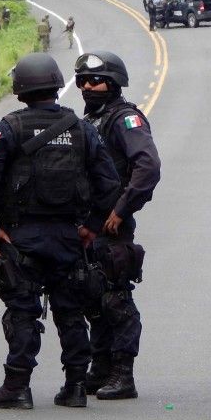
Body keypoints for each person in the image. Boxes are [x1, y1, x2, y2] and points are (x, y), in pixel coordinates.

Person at [0, 53, 120, 410]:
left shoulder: (9, 128)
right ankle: (76, 387)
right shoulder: (81, 128)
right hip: (69, 238)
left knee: (22, 311)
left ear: (20, 89)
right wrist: (91, 227)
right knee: (70, 312)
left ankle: (17, 387)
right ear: (56, 84)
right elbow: (109, 182)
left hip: (21, 239)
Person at [74, 51, 161, 400]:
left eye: (95, 80)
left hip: (111, 227)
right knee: (91, 297)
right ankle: (102, 366)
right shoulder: (90, 121)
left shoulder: (125, 120)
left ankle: (123, 373)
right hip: (86, 227)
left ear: (113, 83)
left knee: (115, 300)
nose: (87, 86)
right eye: (82, 81)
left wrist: (122, 211)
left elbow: (148, 167)